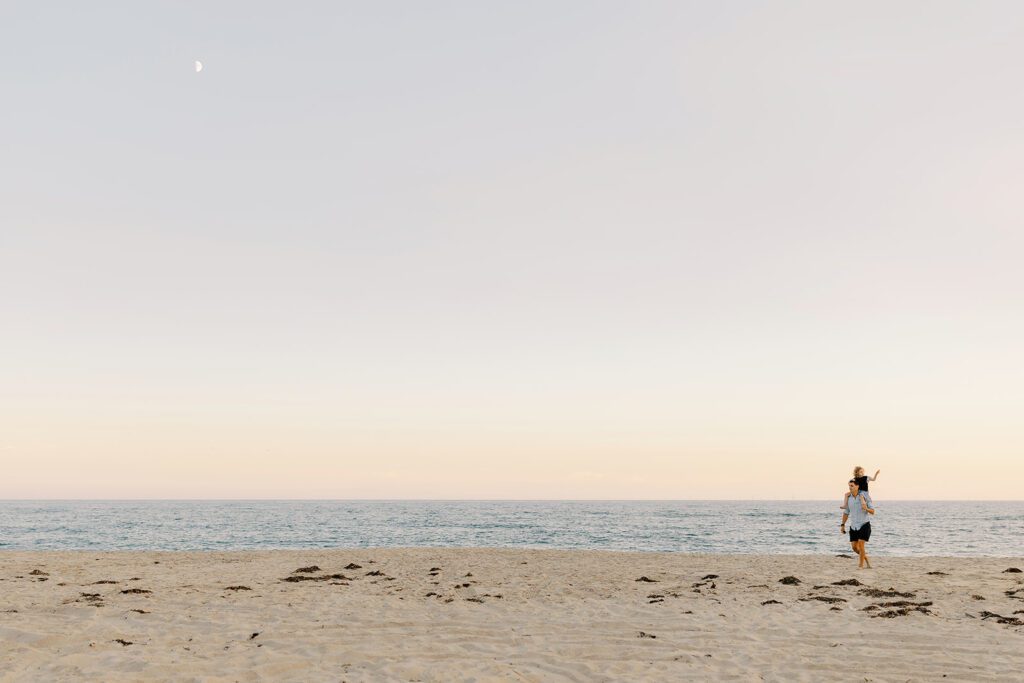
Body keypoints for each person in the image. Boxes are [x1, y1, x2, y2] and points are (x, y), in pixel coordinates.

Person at [840, 479, 875, 569]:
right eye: (849, 486)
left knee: (861, 544)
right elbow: (846, 512)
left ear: (857, 486)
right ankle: (866, 559)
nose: (850, 488)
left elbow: (873, 511)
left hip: (864, 524)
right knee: (854, 548)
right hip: (853, 526)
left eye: (852, 486)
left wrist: (866, 508)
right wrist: (843, 525)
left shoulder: (865, 497)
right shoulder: (848, 498)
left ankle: (860, 566)